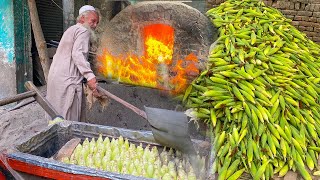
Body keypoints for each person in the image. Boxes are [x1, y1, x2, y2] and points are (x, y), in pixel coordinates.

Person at [46, 5, 100, 121]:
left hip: (56, 77)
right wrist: (90, 76)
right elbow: (77, 54)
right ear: (82, 19)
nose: (95, 25)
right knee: (69, 115)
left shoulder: (71, 30)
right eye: (93, 21)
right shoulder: (83, 31)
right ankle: (68, 139)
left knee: (56, 112)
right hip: (69, 79)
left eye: (97, 23)